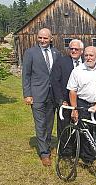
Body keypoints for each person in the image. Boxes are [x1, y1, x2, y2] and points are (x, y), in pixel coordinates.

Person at [22, 28, 60, 167]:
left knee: (49, 123)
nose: (42, 41)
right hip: (37, 94)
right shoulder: (30, 53)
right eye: (40, 38)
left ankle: (48, 146)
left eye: (45, 38)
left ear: (51, 38)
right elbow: (26, 75)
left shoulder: (56, 52)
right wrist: (27, 94)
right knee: (40, 123)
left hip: (52, 95)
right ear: (37, 38)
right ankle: (44, 153)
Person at [67, 46, 96, 164]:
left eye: (91, 55)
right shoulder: (77, 70)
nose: (88, 58)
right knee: (85, 131)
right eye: (86, 55)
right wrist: (74, 109)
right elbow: (72, 91)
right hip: (83, 103)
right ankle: (87, 157)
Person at [51, 39, 84, 137]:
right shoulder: (61, 62)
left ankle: (78, 148)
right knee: (64, 126)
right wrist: (60, 100)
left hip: (81, 101)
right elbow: (55, 82)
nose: (73, 51)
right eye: (71, 49)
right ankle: (64, 150)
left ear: (81, 51)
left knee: (80, 126)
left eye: (76, 49)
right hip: (65, 100)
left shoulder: (86, 63)